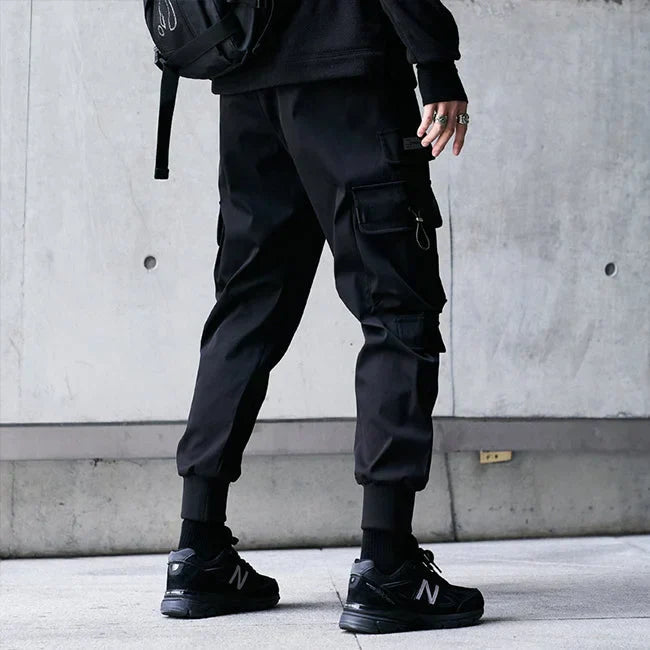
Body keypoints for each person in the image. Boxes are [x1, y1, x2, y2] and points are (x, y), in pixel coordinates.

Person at [160, 0, 484, 634]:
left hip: (247, 77)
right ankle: (388, 565)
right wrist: (434, 61)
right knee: (396, 307)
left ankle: (197, 551)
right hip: (346, 78)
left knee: (245, 309)